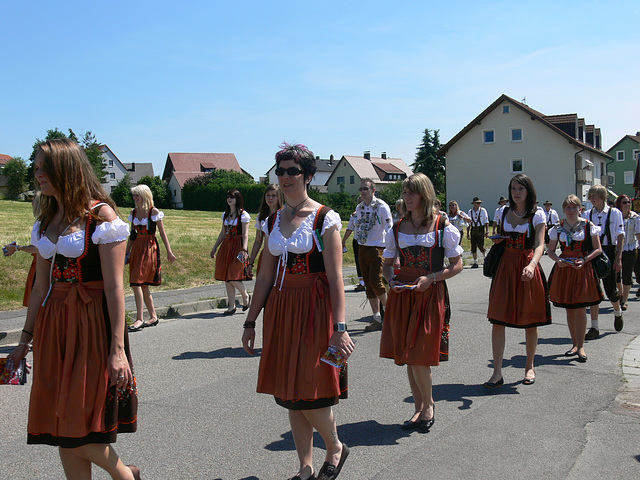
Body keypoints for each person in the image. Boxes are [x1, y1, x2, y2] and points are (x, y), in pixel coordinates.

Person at [8, 138, 140, 480]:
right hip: (55, 326)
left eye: (42, 167)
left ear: (64, 169)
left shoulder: (102, 217)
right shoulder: (46, 219)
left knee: (77, 428)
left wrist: (117, 349)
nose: (36, 173)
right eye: (36, 167)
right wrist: (25, 340)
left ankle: (125, 475)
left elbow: (114, 289)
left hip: (92, 326)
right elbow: (40, 287)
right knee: (61, 423)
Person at [242, 143, 354, 480]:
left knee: (311, 386)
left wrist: (341, 326)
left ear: (306, 175)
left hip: (315, 308)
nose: (286, 177)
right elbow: (264, 276)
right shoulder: (274, 220)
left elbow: (336, 277)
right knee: (289, 392)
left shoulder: (324, 218)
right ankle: (305, 467)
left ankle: (334, 446)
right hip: (281, 307)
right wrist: (250, 321)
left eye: (293, 171)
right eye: (281, 171)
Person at [381, 173, 463, 433]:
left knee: (420, 356)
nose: (406, 198)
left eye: (411, 193)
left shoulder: (442, 226)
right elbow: (386, 265)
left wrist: (432, 277)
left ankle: (428, 406)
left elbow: (457, 265)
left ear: (424, 195)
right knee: (408, 354)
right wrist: (391, 280)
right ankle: (418, 407)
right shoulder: (397, 227)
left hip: (429, 293)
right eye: (404, 193)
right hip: (403, 294)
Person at [484, 174, 551, 388]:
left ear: (528, 191)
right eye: (513, 188)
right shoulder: (503, 212)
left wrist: (532, 265)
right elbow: (499, 237)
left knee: (530, 320)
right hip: (505, 267)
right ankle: (497, 373)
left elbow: (541, 245)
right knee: (498, 320)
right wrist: (497, 240)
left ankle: (529, 366)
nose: (516, 192)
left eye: (521, 188)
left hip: (526, 265)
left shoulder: (537, 214)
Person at [547, 195, 603, 362]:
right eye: (568, 208)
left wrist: (585, 260)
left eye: (574, 207)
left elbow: (598, 249)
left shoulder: (588, 225)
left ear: (580, 209)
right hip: (565, 269)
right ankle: (574, 344)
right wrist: (558, 261)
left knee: (580, 308)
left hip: (582, 269)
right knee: (569, 309)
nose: (571, 211)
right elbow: (550, 251)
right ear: (564, 209)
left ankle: (582, 345)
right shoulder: (557, 227)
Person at [126, 184, 176, 332]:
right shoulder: (133, 213)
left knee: (136, 283)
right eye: (134, 195)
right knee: (143, 285)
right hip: (137, 248)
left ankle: (139, 319)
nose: (135, 198)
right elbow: (132, 235)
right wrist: (127, 253)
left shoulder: (153, 212)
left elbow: (162, 233)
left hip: (149, 248)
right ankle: (153, 316)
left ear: (145, 196)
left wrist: (169, 252)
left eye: (138, 195)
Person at [582, 184, 624, 339]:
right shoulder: (587, 213)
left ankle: (618, 312)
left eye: (595, 196)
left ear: (603, 197)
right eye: (590, 196)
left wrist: (618, 258)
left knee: (610, 289)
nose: (592, 199)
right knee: (593, 291)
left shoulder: (615, 213)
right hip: (593, 252)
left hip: (609, 252)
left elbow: (620, 237)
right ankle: (594, 327)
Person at [352, 178, 393, 331]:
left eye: (366, 189)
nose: (363, 192)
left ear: (373, 190)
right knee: (368, 284)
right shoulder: (359, 207)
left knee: (376, 282)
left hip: (378, 248)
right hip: (363, 247)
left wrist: (392, 252)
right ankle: (377, 317)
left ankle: (391, 314)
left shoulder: (382, 207)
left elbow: (389, 229)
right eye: (361, 189)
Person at [210, 189, 251, 315]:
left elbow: (245, 234)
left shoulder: (243, 215)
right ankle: (231, 306)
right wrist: (215, 247)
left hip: (238, 247)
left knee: (233, 276)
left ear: (237, 199)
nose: (229, 199)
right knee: (227, 278)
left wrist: (244, 249)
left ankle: (245, 296)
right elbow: (223, 233)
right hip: (226, 246)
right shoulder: (225, 215)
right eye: (228, 197)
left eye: (232, 197)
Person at [3, 192, 42, 306]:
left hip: (40, 264)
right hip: (46, 264)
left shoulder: (40, 223)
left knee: (37, 299)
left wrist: (17, 247)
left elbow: (36, 248)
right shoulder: (52, 221)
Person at [248, 184, 282, 277]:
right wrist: (250, 263)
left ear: (280, 197)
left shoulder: (284, 215)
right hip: (266, 255)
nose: (270, 198)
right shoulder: (261, 216)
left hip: (281, 256)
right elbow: (258, 241)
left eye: (274, 195)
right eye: (268, 195)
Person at [615, 194, 640, 310]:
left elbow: (638, 233)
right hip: (616, 248)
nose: (627, 204)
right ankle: (620, 293)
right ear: (619, 204)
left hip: (630, 248)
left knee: (627, 274)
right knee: (615, 275)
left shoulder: (635, 217)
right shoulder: (615, 216)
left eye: (628, 202)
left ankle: (624, 300)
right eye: (624, 202)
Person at [341, 211, 366, 291]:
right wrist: (344, 240)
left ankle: (371, 281)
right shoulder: (354, 216)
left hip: (369, 241)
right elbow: (350, 228)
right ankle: (362, 282)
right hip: (357, 240)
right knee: (358, 261)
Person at [467, 196, 489, 268]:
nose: (479, 204)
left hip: (480, 228)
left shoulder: (483, 210)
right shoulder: (470, 212)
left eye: (479, 203)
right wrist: (468, 233)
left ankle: (485, 258)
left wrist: (487, 231)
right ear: (473, 203)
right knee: (473, 246)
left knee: (481, 245)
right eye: (477, 203)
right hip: (473, 229)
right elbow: (469, 223)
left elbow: (486, 221)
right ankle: (475, 261)